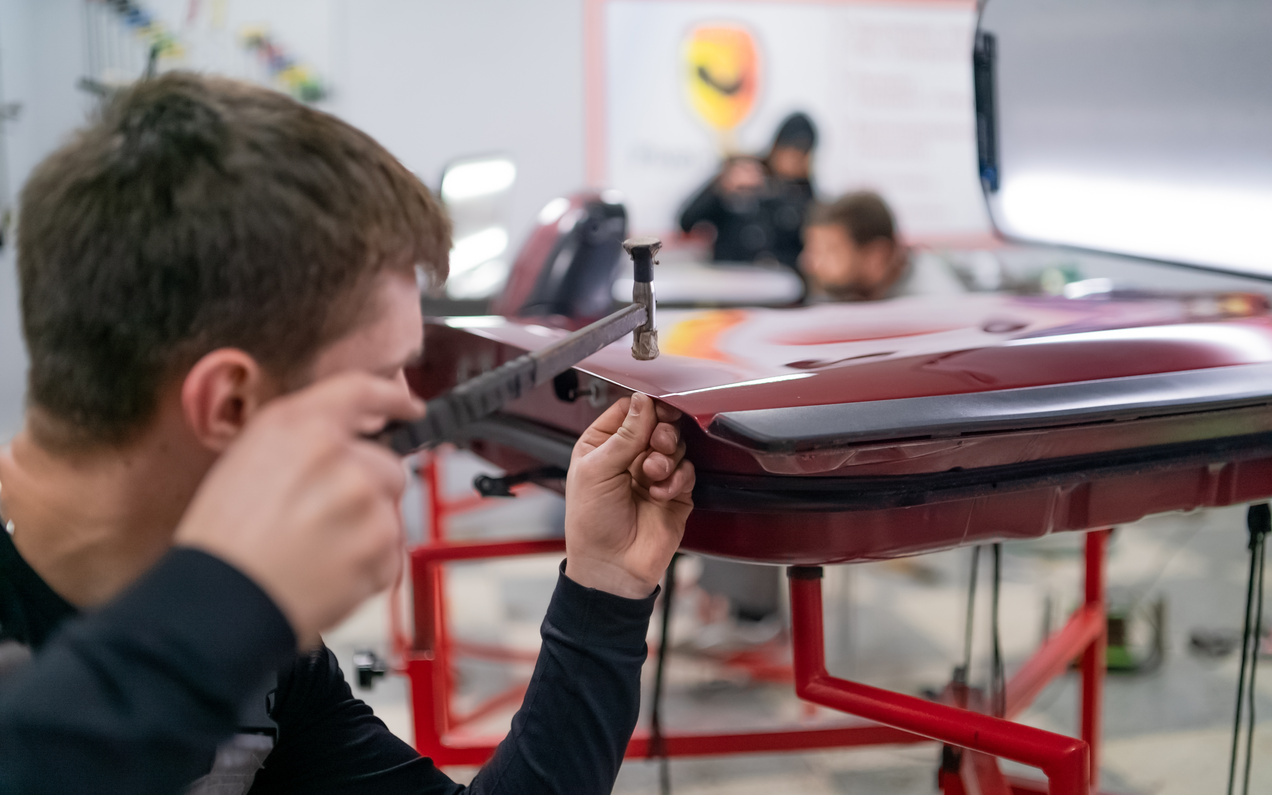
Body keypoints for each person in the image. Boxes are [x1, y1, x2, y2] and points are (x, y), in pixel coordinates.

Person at [0, 72, 695, 794]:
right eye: (380, 373)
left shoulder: (265, 657)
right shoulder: (221, 617)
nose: (409, 412)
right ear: (230, 405)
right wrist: (232, 600)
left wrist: (604, 587)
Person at [677, 111, 818, 269]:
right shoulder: (745, 172)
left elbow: (809, 251)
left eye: (802, 154)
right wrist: (721, 187)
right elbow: (687, 220)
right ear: (776, 146)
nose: (793, 160)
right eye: (789, 150)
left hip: (780, 285)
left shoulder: (806, 195)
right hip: (728, 279)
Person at [799, 190, 965, 301]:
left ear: (877, 257)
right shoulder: (842, 292)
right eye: (812, 250)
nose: (810, 264)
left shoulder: (933, 302)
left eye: (828, 251)